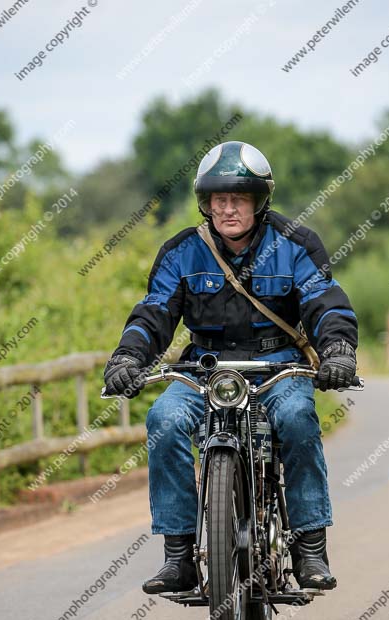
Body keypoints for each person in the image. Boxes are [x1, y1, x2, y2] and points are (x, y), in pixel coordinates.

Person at [104, 141, 358, 595]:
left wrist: (338, 350)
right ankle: (179, 556)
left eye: (237, 199)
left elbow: (325, 304)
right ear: (206, 203)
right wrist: (128, 357)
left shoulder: (296, 244)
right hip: (206, 369)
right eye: (218, 200)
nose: (227, 209)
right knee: (163, 419)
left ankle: (309, 546)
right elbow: (154, 312)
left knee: (298, 419)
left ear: (259, 202)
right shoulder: (181, 251)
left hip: (277, 364)